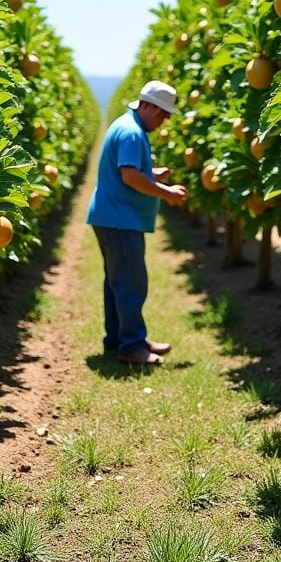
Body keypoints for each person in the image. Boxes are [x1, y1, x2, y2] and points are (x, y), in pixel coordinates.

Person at [86, 80, 188, 365]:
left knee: (117, 282)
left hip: (112, 217)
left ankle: (121, 339)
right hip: (120, 220)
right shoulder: (132, 133)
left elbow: (128, 170)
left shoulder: (127, 125)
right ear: (145, 105)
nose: (165, 119)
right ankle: (131, 346)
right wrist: (166, 192)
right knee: (131, 283)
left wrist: (151, 173)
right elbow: (129, 176)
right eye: (162, 113)